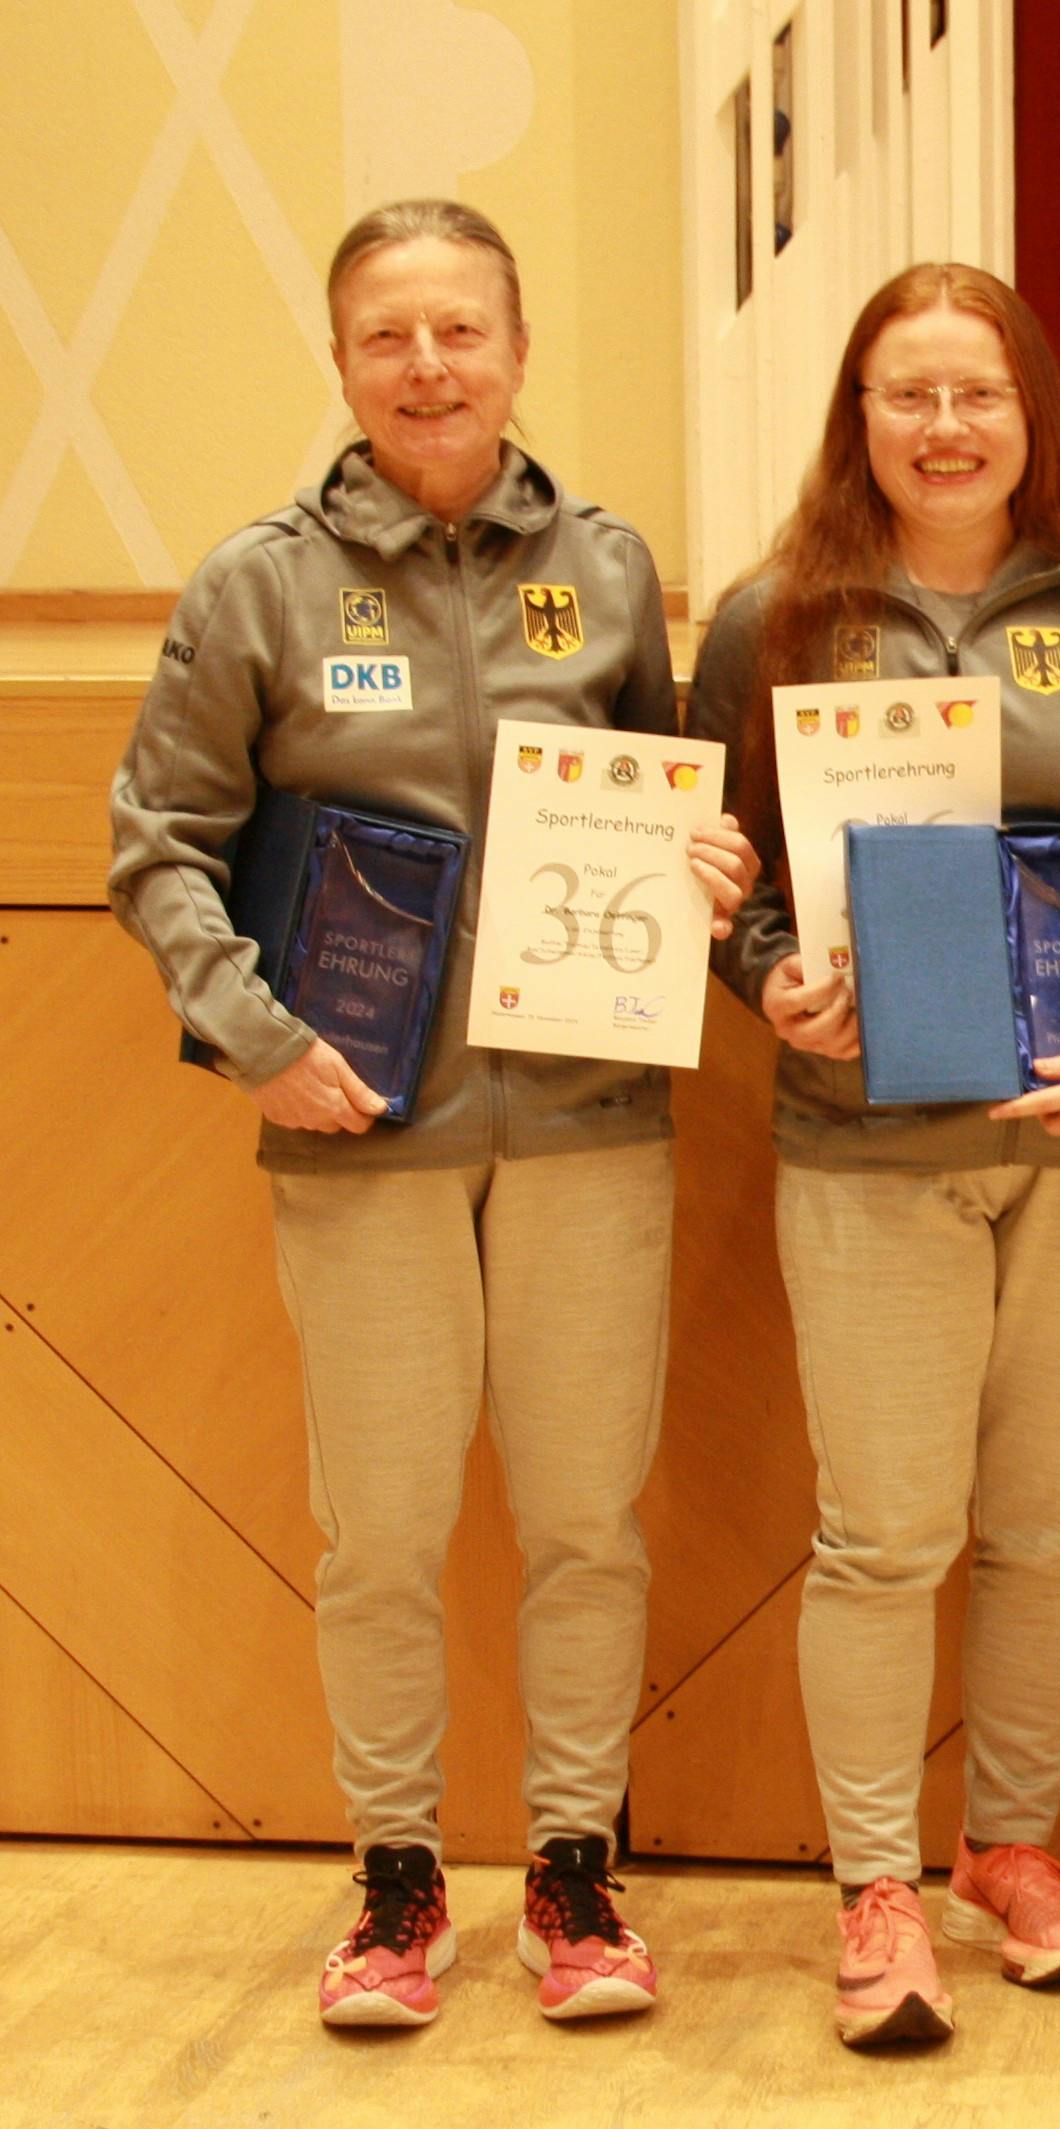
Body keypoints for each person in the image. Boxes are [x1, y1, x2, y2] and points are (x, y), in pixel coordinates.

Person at [107, 199, 759, 2028]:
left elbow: (680, 803)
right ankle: (397, 1882)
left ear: (519, 348)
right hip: (358, 1128)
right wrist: (256, 1037)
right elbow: (156, 843)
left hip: (585, 1126)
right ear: (341, 364)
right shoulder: (262, 585)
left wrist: (708, 866)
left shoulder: (613, 571)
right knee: (380, 1530)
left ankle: (574, 1873)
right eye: (389, 336)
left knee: (585, 1522)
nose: (428, 366)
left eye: (460, 330)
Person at [687, 262, 1060, 2050]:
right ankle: (873, 1885)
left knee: (1056, 1528)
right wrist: (772, 976)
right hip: (867, 1148)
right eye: (904, 394)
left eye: (975, 394)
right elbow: (722, 879)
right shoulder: (774, 619)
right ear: (859, 419)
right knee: (886, 1531)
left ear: (1032, 420)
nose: (941, 426)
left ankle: (1011, 1843)